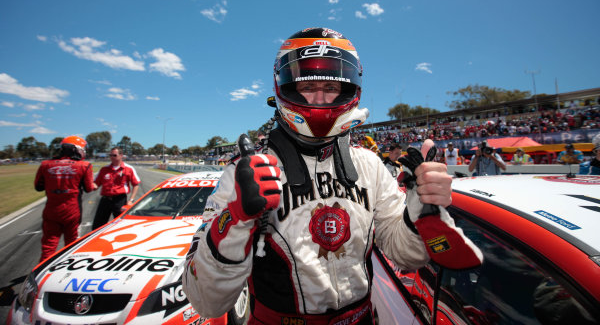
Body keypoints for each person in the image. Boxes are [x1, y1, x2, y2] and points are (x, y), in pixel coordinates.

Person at [183, 28, 481, 324]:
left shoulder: (369, 164)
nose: (320, 99)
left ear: (350, 90)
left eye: (332, 87)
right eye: (307, 86)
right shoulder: (244, 172)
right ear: (284, 87)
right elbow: (206, 302)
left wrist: (420, 210)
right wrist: (234, 220)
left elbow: (407, 257)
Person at [34, 136, 96, 262]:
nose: (84, 152)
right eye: (83, 149)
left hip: (51, 209)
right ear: (76, 149)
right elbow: (89, 188)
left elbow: (38, 187)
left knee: (48, 246)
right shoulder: (84, 165)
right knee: (71, 244)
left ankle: (42, 272)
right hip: (72, 210)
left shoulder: (45, 165)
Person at [92, 147, 140, 229]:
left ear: (121, 155)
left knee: (121, 226)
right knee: (97, 226)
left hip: (120, 200)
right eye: (110, 155)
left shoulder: (128, 169)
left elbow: (136, 184)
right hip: (105, 200)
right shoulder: (104, 169)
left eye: (114, 155)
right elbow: (96, 185)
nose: (112, 157)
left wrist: (131, 200)